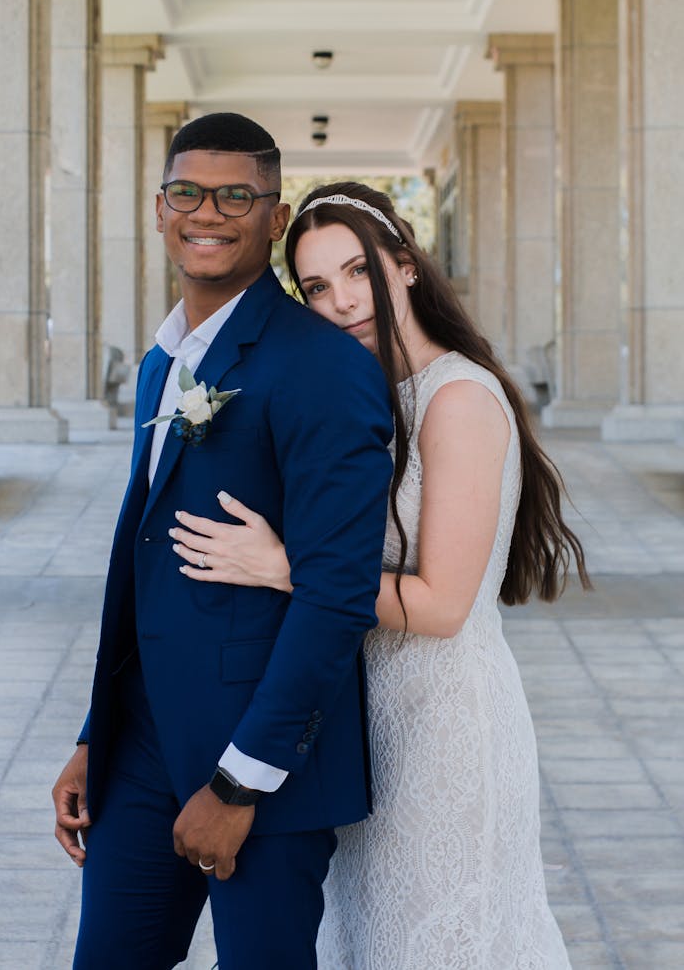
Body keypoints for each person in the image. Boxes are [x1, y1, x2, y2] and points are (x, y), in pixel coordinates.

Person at [171, 181, 591, 969]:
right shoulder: (375, 395)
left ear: (403, 264)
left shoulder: (458, 396)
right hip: (369, 717)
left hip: (447, 723)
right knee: (370, 940)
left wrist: (286, 568)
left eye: (357, 271)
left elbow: (440, 604)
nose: (341, 302)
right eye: (318, 287)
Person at [51, 125, 394, 970]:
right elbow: (146, 572)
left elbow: (338, 594)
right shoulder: (163, 362)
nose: (208, 213)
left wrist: (240, 783)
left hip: (265, 762)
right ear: (160, 209)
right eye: (187, 193)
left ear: (273, 217)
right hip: (140, 747)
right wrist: (99, 730)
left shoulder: (320, 366)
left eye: (235, 195)